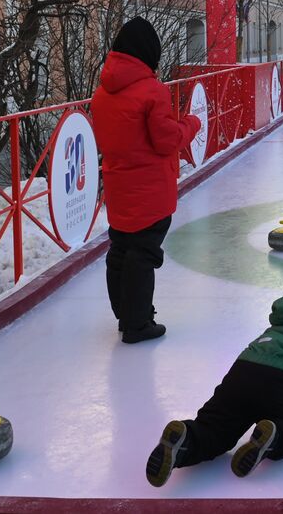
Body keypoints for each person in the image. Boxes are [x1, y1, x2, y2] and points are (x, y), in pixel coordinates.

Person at [145, 255, 283, 485]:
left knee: (217, 429)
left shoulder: (282, 320)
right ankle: (274, 436)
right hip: (276, 382)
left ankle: (185, 439)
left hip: (241, 372)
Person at [92, 17, 201, 343]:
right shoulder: (151, 91)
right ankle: (138, 324)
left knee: (121, 249)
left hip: (119, 185)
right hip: (150, 189)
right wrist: (191, 124)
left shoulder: (103, 91)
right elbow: (166, 140)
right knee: (143, 254)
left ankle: (126, 315)